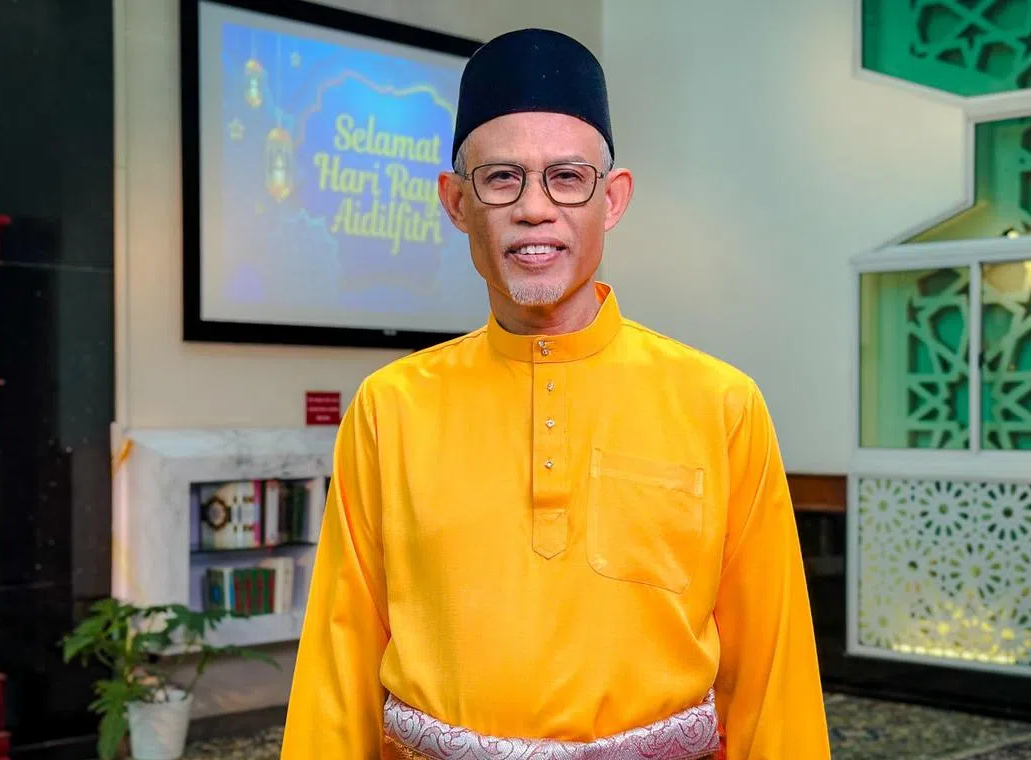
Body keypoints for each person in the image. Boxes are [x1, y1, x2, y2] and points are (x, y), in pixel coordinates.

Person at [280, 27, 830, 760]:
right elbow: (338, 658)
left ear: (613, 199)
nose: (534, 208)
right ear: (455, 202)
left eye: (567, 178)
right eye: (501, 177)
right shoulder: (391, 408)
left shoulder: (720, 404)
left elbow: (773, 666)